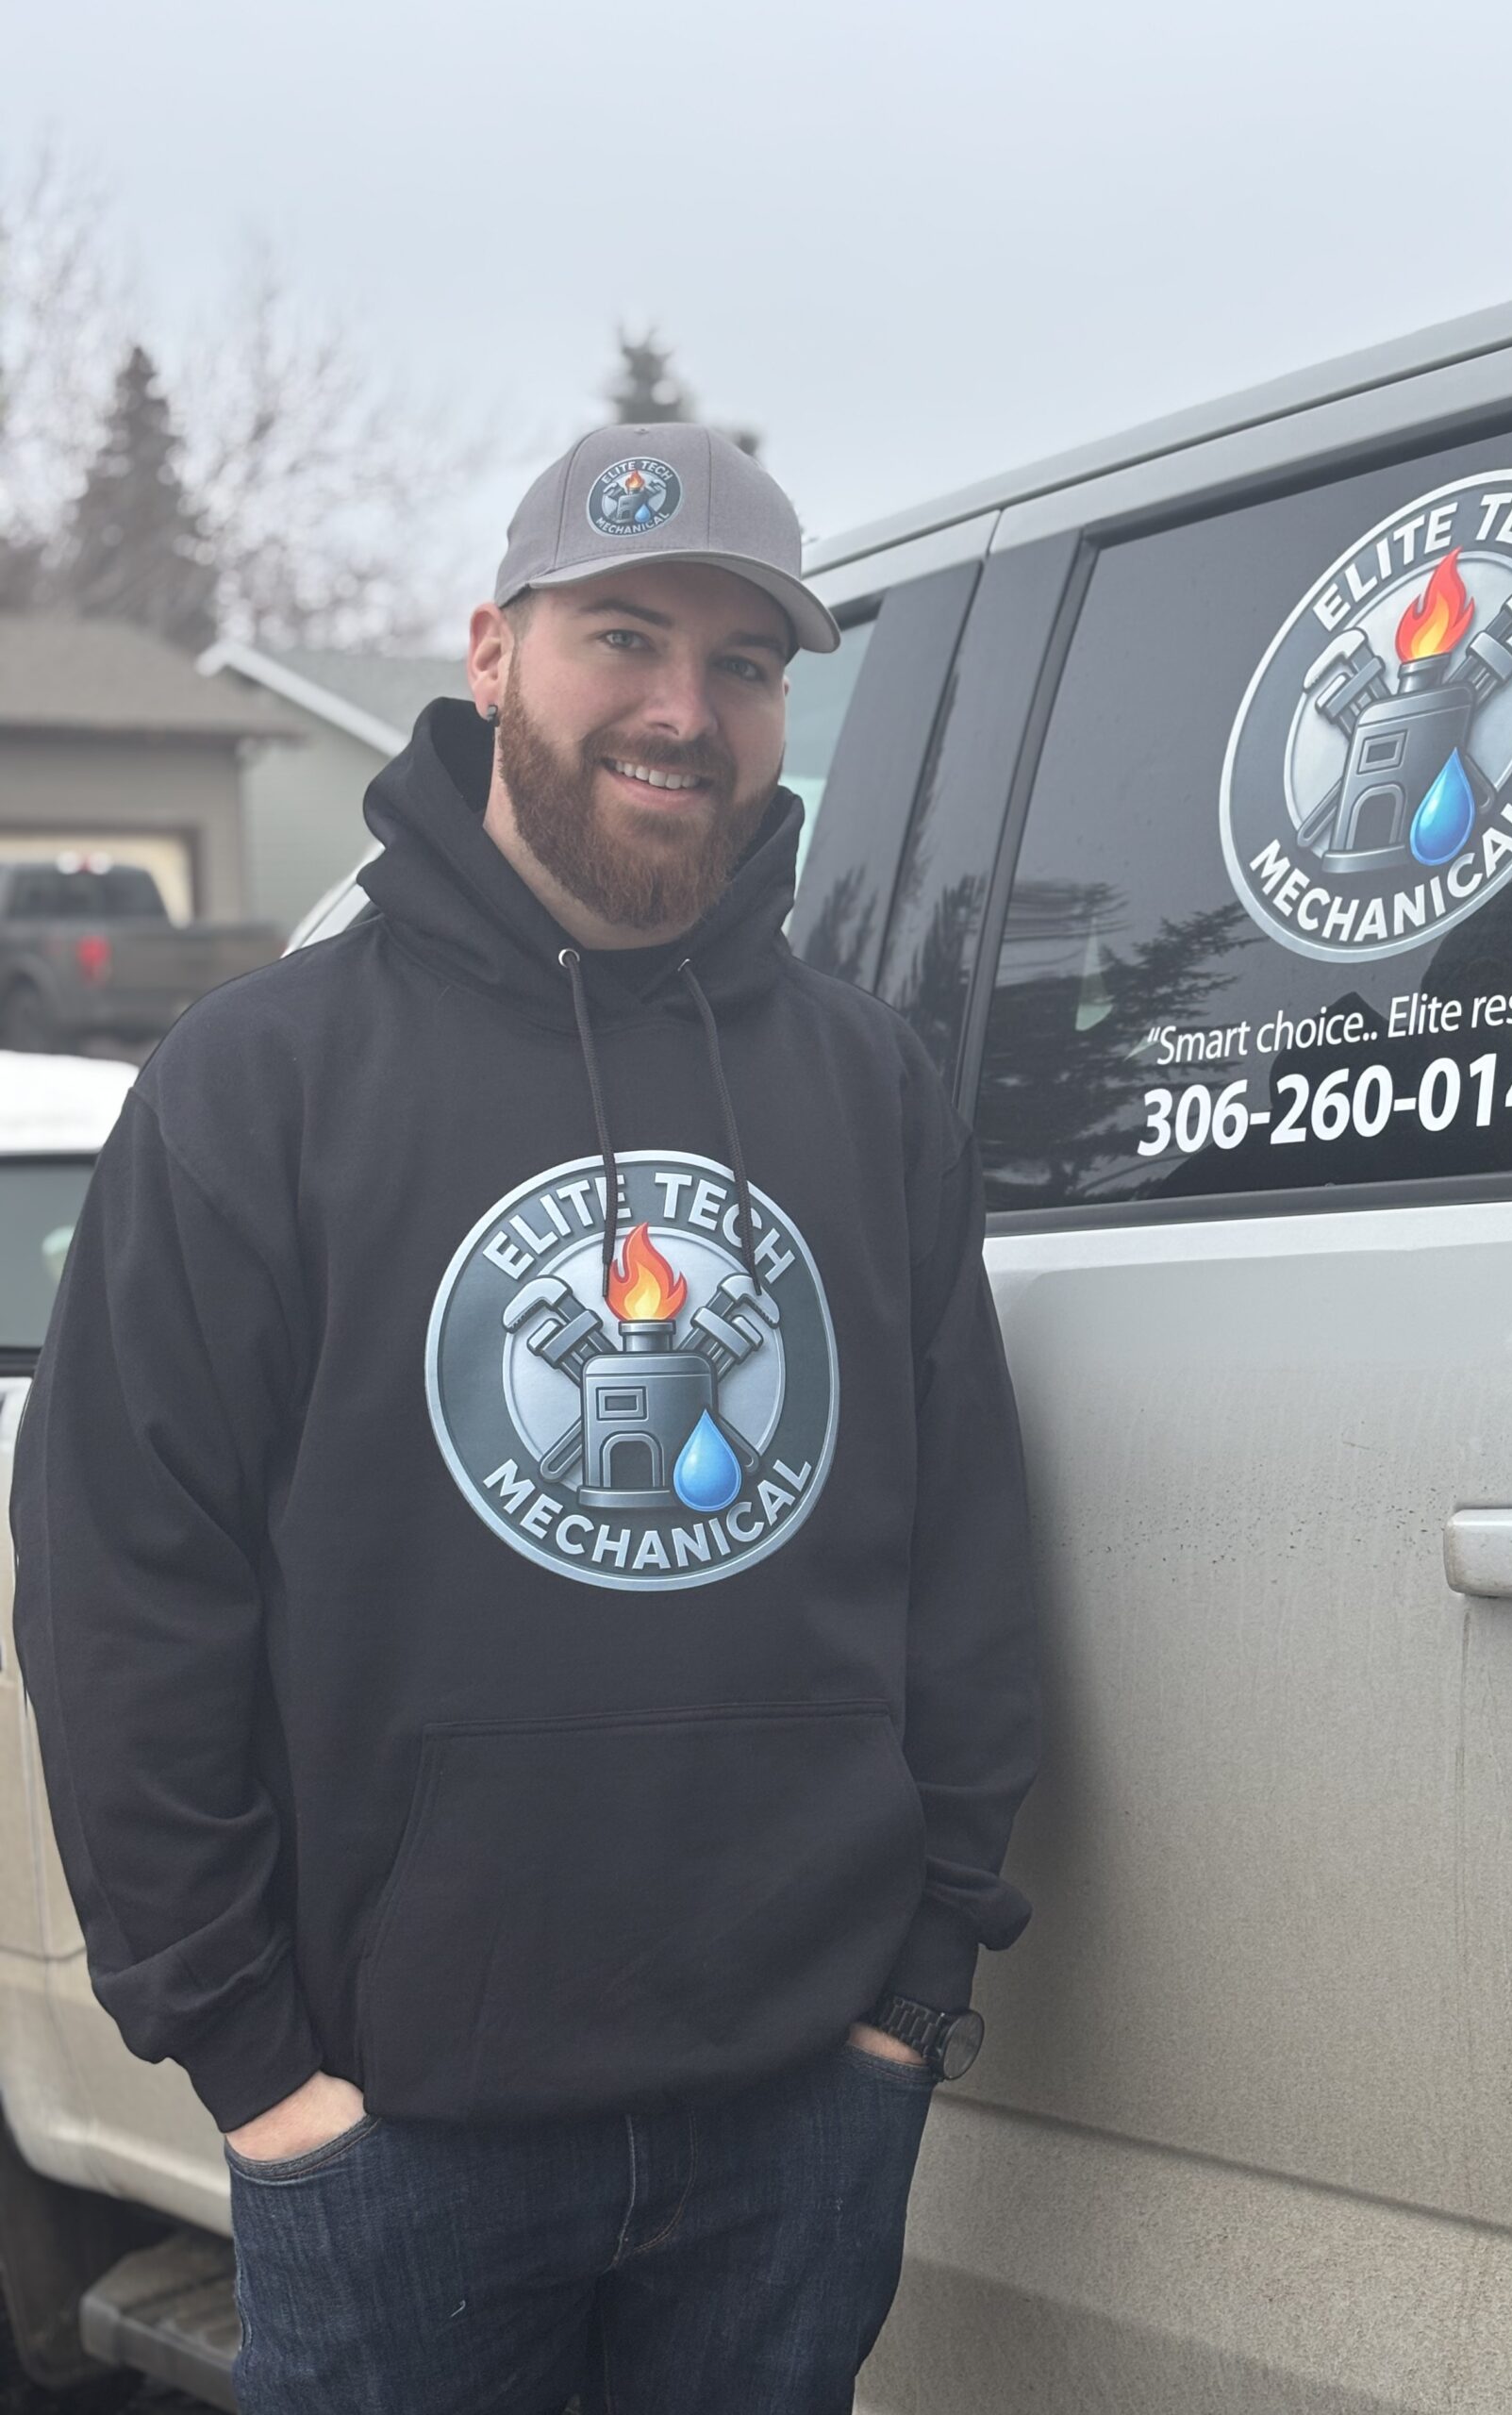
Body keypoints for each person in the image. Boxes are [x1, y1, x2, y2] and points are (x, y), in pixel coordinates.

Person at [11, 422, 1040, 2414]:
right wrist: (256, 2067)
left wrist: (911, 2001)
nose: (683, 710)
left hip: (798, 2117)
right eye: (623, 636)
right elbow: (124, 1595)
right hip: (396, 2142)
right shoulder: (258, 1085)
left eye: (743, 663)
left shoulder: (867, 1091)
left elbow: (970, 1569)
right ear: (493, 652)